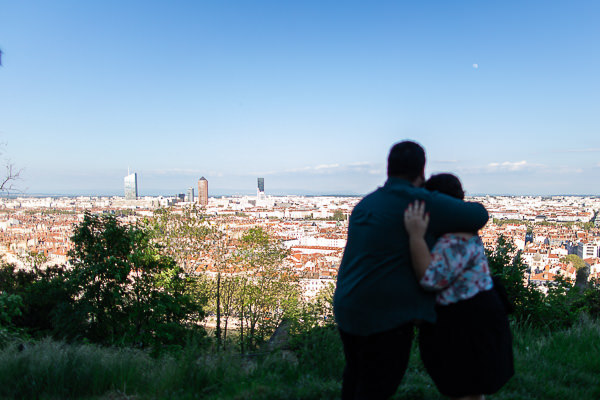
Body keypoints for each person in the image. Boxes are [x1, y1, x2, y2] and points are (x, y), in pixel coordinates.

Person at [333, 141, 489, 400]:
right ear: (422, 171)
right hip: (387, 314)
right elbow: (478, 215)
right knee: (379, 386)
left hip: (348, 306)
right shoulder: (421, 203)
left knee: (355, 375)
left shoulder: (365, 205)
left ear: (388, 169)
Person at [404, 173, 514, 400]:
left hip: (465, 321)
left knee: (464, 386)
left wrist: (415, 237)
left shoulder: (456, 237)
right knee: (472, 388)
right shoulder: (463, 227)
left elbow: (431, 279)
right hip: (477, 316)